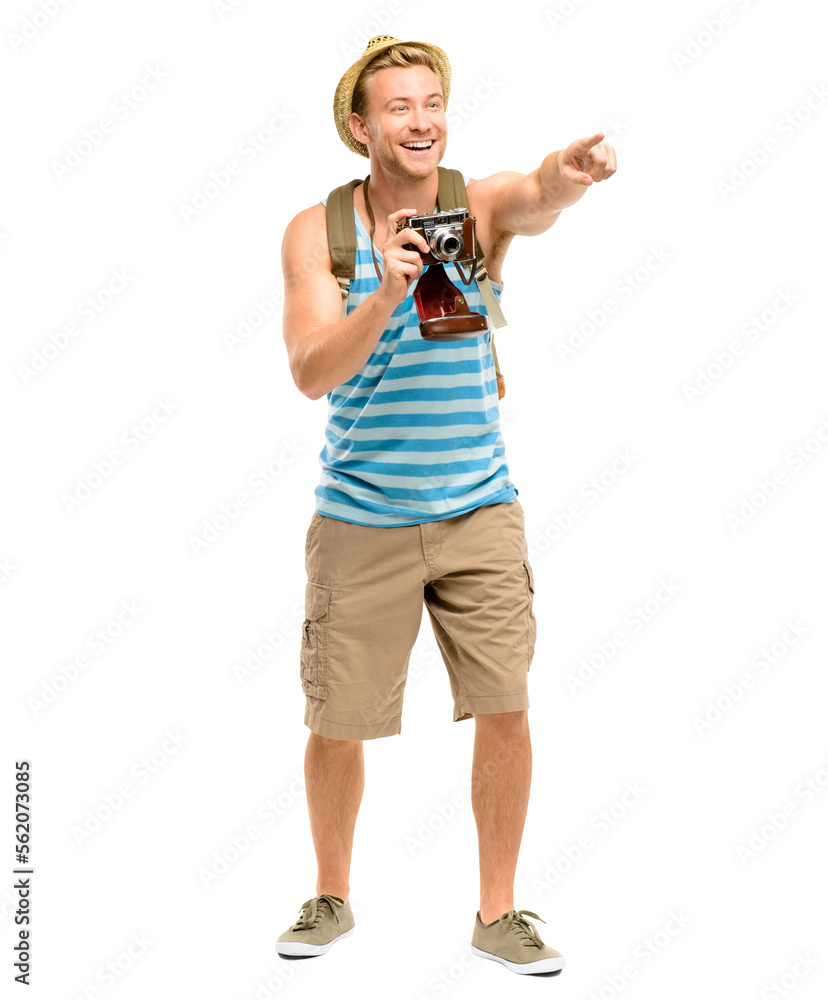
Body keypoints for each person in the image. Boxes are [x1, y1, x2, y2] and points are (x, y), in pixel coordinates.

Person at [276, 35, 616, 976]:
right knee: (338, 718)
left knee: (507, 704)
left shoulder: (474, 207)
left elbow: (534, 195)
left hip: (480, 509)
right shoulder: (320, 232)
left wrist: (570, 174)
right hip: (359, 518)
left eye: (432, 103)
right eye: (399, 107)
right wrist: (384, 293)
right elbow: (311, 373)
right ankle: (331, 896)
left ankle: (498, 914)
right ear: (361, 126)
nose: (420, 121)